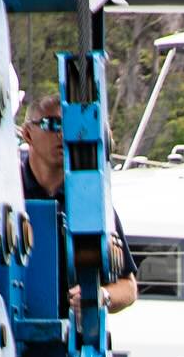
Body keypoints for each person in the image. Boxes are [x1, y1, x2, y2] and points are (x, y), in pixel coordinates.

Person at [19, 92, 138, 315]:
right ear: (27, 133)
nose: (63, 134)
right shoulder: (8, 193)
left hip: (74, 333)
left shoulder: (90, 200)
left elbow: (129, 287)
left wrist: (101, 296)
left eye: (69, 126)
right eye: (52, 124)